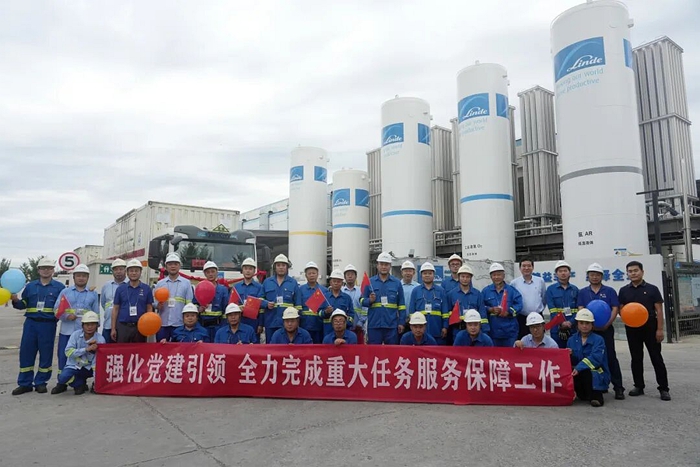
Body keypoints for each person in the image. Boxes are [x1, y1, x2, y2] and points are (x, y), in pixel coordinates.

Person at [11, 257, 65, 395]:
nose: (46, 270)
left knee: (46, 354)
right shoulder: (30, 286)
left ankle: (41, 382)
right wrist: (16, 301)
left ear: (53, 270)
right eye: (43, 268)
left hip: (48, 325)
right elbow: (23, 304)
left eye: (49, 268)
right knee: (26, 353)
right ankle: (25, 383)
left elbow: (62, 307)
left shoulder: (60, 288)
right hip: (31, 324)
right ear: (38, 270)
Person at [618, 261, 671, 401]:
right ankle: (639, 386)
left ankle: (664, 388)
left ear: (642, 272)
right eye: (630, 271)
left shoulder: (652, 289)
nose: (633, 273)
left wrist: (660, 329)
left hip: (650, 328)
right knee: (636, 358)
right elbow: (621, 310)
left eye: (636, 270)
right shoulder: (623, 291)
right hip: (632, 329)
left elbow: (659, 311)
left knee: (656, 358)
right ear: (627, 273)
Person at [577, 262, 625, 400]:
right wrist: (588, 325)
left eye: (597, 275)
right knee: (592, 357)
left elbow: (615, 308)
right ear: (588, 276)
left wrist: (607, 324)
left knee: (610, 357)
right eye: (592, 274)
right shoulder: (583, 292)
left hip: (606, 330)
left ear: (602, 276)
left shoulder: (609, 291)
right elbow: (581, 308)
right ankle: (600, 385)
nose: (594, 277)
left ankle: (618, 388)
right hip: (588, 331)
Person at [52, 264, 100, 394]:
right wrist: (67, 316)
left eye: (84, 276)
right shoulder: (65, 292)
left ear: (88, 277)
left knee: (83, 358)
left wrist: (95, 331)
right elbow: (56, 309)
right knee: (64, 356)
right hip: (67, 331)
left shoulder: (92, 294)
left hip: (85, 334)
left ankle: (79, 382)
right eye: (78, 275)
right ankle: (61, 383)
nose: (81, 278)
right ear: (74, 277)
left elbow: (96, 312)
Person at [54, 311, 105, 396]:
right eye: (87, 324)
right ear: (82, 325)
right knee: (62, 378)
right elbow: (68, 352)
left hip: (89, 368)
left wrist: (97, 384)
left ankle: (88, 383)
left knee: (100, 370)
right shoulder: (75, 335)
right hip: (74, 366)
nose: (90, 327)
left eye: (93, 324)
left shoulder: (100, 340)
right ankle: (79, 384)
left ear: (97, 325)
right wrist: (86, 349)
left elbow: (97, 362)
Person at [567, 308, 611, 407]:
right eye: (581, 323)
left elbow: (596, 358)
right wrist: (568, 355)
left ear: (592, 325)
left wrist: (579, 368)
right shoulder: (571, 340)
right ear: (577, 324)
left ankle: (596, 397)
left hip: (595, 374)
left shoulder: (599, 340)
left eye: (587, 323)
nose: (584, 326)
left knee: (588, 372)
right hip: (578, 374)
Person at [360, 252, 406, 345]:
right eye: (381, 264)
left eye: (386, 264)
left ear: (390, 266)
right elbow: (361, 300)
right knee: (374, 351)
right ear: (377, 265)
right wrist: (369, 300)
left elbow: (401, 305)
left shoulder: (397, 283)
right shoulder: (370, 282)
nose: (384, 267)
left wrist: (401, 322)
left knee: (392, 351)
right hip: (374, 325)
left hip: (391, 325)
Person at [111, 259, 154, 343]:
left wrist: (149, 325)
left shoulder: (146, 289)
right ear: (127, 273)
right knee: (123, 350)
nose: (134, 273)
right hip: (123, 326)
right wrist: (113, 328)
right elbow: (115, 309)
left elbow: (149, 308)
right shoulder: (120, 289)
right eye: (131, 271)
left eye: (136, 271)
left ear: (140, 272)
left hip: (140, 327)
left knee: (139, 350)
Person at [154, 253, 194, 342]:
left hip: (180, 324)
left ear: (179, 266)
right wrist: (157, 305)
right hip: (163, 324)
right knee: (161, 348)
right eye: (170, 264)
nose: (173, 266)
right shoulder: (160, 283)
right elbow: (154, 303)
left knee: (179, 349)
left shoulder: (186, 283)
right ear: (166, 267)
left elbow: (189, 304)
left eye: (175, 264)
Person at [261, 254, 301, 343]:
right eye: (278, 265)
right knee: (271, 348)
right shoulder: (267, 282)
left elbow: (298, 305)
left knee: (287, 348)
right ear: (275, 267)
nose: (281, 267)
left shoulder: (293, 283)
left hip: (288, 324)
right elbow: (259, 299)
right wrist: (266, 304)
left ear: (287, 267)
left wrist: (297, 323)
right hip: (270, 322)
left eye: (283, 265)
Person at [482, 263, 522, 347]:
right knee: (494, 354)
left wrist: (509, 312)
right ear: (491, 277)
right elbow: (480, 306)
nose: (496, 277)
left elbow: (519, 305)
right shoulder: (485, 291)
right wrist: (490, 309)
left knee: (510, 354)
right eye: (494, 275)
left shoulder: (512, 290)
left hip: (510, 331)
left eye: (499, 274)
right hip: (493, 331)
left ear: (504, 275)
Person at [408, 262, 448, 344]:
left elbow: (445, 312)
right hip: (420, 330)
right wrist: (413, 327)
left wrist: (445, 326)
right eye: (425, 273)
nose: (427, 275)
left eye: (430, 273)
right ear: (421, 275)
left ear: (434, 275)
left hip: (437, 329)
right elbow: (412, 311)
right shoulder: (416, 291)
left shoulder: (441, 291)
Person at [447, 264, 486, 342]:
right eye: (463, 276)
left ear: (471, 278)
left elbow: (483, 314)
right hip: (457, 330)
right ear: (458, 277)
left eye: (467, 277)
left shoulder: (477, 294)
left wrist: (485, 330)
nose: (465, 279)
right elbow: (447, 312)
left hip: (475, 332)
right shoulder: (451, 294)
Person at [545, 260, 579, 348]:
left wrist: (571, 322)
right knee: (558, 351)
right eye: (560, 271)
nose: (563, 273)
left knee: (573, 351)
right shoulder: (551, 289)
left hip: (573, 328)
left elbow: (578, 309)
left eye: (565, 271)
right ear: (556, 274)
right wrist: (562, 323)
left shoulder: (575, 289)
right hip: (557, 328)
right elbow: (552, 309)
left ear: (569, 273)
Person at [510, 257, 546, 339]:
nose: (526, 268)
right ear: (520, 268)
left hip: (538, 317)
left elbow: (543, 298)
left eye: (529, 266)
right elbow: (513, 301)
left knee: (539, 340)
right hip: (522, 318)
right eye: (524, 266)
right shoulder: (514, 283)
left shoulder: (540, 281)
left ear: (533, 267)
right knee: (522, 341)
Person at [193, 261, 228, 341]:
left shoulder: (223, 290)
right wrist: (198, 309)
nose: (210, 274)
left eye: (213, 271)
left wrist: (223, 327)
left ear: (217, 272)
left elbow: (225, 309)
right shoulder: (200, 288)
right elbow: (194, 304)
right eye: (208, 272)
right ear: (205, 274)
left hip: (218, 326)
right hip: (202, 326)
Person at [232, 257, 267, 334]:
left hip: (254, 322)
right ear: (242, 270)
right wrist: (238, 308)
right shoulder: (236, 287)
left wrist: (260, 324)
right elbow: (232, 304)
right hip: (239, 320)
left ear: (254, 271)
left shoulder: (259, 287)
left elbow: (261, 308)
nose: (248, 271)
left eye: (250, 269)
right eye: (245, 268)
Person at [299, 261, 330, 344]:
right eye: (309, 273)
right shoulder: (300, 290)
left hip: (319, 326)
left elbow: (326, 309)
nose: (312, 275)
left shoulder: (324, 291)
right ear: (306, 275)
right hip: (304, 326)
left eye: (314, 273)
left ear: (317, 274)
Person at [100, 258, 127, 344]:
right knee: (107, 350)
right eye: (116, 269)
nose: (118, 272)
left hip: (124, 326)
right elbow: (103, 303)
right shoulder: (106, 286)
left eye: (121, 269)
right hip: (108, 325)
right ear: (112, 271)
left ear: (125, 270)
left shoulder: (130, 285)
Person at [323, 270, 354, 337]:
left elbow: (351, 315)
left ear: (342, 283)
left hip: (343, 332)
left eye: (338, 281)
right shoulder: (324, 297)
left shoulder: (347, 298)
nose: (336, 283)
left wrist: (344, 323)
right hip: (327, 331)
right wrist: (326, 312)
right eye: (334, 281)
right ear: (330, 282)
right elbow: (319, 313)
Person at [342, 264, 366, 343]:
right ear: (344, 277)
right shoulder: (341, 291)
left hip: (358, 327)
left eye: (352, 274)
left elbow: (365, 309)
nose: (350, 276)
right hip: (343, 328)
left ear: (356, 276)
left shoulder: (361, 291)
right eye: (348, 274)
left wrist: (360, 323)